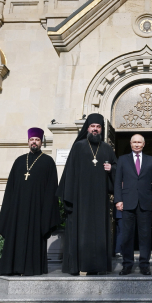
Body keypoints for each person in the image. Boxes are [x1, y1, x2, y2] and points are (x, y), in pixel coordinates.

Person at [56, 113, 117, 275]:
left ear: (102, 129)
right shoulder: (79, 146)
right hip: (81, 200)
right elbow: (70, 172)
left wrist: (112, 169)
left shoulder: (107, 148)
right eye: (92, 127)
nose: (95, 129)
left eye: (98, 127)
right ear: (87, 128)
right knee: (81, 232)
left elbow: (117, 168)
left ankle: (99, 267)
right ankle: (80, 265)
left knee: (100, 232)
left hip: (100, 201)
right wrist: (70, 198)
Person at [0, 127, 60, 276]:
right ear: (28, 141)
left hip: (36, 211)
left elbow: (52, 190)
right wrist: (9, 210)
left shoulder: (48, 162)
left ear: (41, 142)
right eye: (32, 140)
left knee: (34, 239)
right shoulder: (19, 161)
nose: (34, 142)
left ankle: (31, 268)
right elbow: (10, 189)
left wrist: (46, 213)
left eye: (37, 140)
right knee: (15, 238)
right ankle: (11, 268)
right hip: (17, 211)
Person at [114, 134, 152, 275]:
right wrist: (118, 200)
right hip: (127, 202)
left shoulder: (151, 161)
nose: (137, 144)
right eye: (134, 142)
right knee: (127, 235)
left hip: (145, 202)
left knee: (145, 235)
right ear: (130, 143)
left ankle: (144, 264)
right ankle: (127, 264)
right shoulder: (122, 159)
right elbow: (117, 181)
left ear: (144, 144)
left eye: (139, 142)